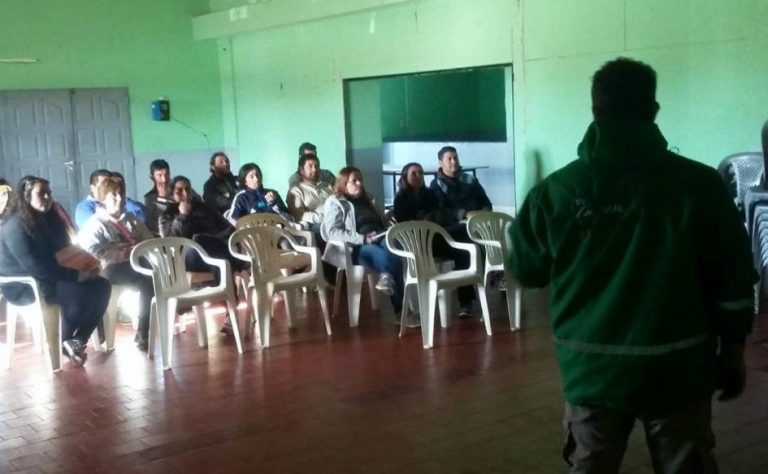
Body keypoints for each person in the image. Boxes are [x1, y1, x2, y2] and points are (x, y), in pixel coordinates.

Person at [506, 57, 756, 473]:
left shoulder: (555, 193)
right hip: (679, 370)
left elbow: (528, 270)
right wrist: (733, 353)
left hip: (591, 373)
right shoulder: (699, 187)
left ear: (594, 109)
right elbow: (732, 281)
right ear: (654, 109)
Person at [0, 176, 111, 366]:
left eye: (48, 193)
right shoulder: (15, 225)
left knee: (102, 286)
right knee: (79, 294)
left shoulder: (49, 219)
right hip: (23, 284)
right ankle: (61, 341)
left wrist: (86, 265)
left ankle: (78, 340)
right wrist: (76, 275)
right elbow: (35, 266)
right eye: (40, 193)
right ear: (26, 197)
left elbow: (66, 250)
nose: (47, 197)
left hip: (53, 275)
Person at [78, 177, 155, 351]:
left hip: (135, 265)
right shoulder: (96, 223)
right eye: (113, 195)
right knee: (146, 276)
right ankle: (143, 330)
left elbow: (149, 241)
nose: (119, 199)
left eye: (121, 194)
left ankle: (147, 327)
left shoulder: (131, 219)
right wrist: (119, 253)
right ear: (102, 199)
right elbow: (89, 251)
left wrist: (139, 250)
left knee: (150, 275)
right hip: (109, 270)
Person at [393, 162, 476, 319]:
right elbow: (405, 223)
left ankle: (466, 302)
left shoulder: (430, 194)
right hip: (418, 243)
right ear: (405, 177)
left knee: (463, 247)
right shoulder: (401, 199)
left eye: (421, 173)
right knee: (459, 237)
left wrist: (433, 218)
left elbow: (441, 213)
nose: (419, 177)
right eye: (414, 173)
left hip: (437, 237)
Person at [321, 166, 403, 315]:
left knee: (394, 246)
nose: (359, 183)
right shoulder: (335, 202)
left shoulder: (369, 199)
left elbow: (379, 222)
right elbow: (333, 232)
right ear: (343, 183)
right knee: (392, 258)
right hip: (355, 246)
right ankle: (400, 310)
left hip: (380, 236)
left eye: (360, 180)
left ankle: (387, 277)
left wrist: (388, 218)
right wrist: (363, 238)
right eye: (354, 181)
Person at [428, 149, 492, 317]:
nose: (453, 162)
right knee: (467, 246)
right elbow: (442, 212)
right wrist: (465, 214)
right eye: (449, 159)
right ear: (440, 163)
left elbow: (486, 202)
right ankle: (470, 297)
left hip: (478, 223)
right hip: (453, 228)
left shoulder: (470, 179)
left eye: (455, 157)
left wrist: (483, 211)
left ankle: (494, 273)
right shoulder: (436, 185)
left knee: (491, 232)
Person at [160, 175, 248, 274]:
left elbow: (225, 227)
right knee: (199, 240)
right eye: (179, 191)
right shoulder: (167, 215)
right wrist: (182, 216)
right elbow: (169, 241)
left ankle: (233, 269)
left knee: (219, 257)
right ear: (172, 195)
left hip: (215, 247)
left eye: (187, 190)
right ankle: (236, 265)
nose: (185, 194)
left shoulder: (205, 208)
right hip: (187, 254)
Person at [74, 169, 146, 229]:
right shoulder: (84, 208)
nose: (107, 189)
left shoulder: (121, 200)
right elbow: (90, 228)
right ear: (92, 188)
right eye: (102, 185)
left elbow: (142, 216)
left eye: (109, 185)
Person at [287, 153, 334, 231]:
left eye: (317, 166)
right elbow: (298, 214)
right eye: (310, 166)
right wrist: (321, 218)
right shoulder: (296, 190)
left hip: (336, 220)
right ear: (301, 170)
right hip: (315, 226)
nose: (314, 169)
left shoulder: (327, 186)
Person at [144, 159, 172, 235]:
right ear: (152, 177)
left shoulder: (179, 189)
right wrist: (162, 198)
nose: (164, 179)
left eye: (167, 174)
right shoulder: (149, 198)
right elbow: (154, 223)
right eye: (159, 175)